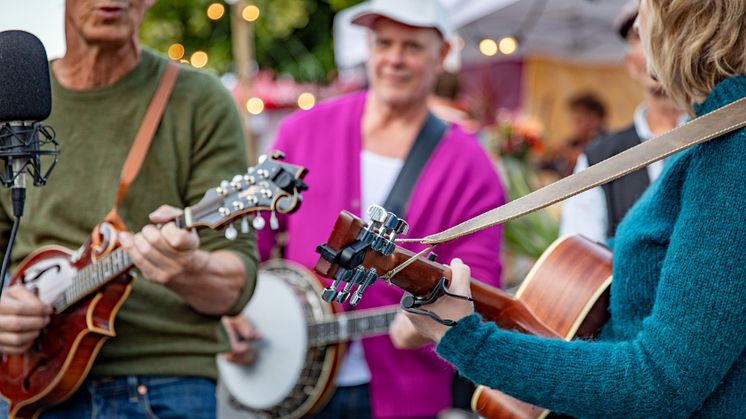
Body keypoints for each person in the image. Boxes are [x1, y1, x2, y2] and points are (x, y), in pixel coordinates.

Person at [393, 0, 746, 417]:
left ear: (683, 19)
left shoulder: (733, 152)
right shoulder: (716, 136)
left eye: (643, 7)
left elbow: (660, 381)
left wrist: (469, 340)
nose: (637, 21)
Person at [227, 0, 504, 417]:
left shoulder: (472, 167)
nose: (394, 59)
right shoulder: (303, 130)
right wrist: (236, 306)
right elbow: (254, 233)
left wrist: (431, 325)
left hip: (401, 390)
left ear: (443, 53)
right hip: (287, 376)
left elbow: (477, 282)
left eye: (411, 46)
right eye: (383, 42)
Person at [0, 0, 257, 417]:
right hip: (27, 381)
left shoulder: (200, 99)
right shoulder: (15, 95)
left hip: (163, 383)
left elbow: (237, 284)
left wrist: (189, 268)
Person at [559, 0, 684, 243]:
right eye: (641, 35)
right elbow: (580, 254)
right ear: (630, 64)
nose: (654, 44)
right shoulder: (599, 158)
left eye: (663, 31)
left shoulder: (725, 136)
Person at [548, 93, 607, 178]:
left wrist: (563, 151)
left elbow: (589, 159)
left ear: (594, 119)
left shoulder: (606, 142)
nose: (574, 126)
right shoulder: (572, 143)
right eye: (572, 121)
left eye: (578, 121)